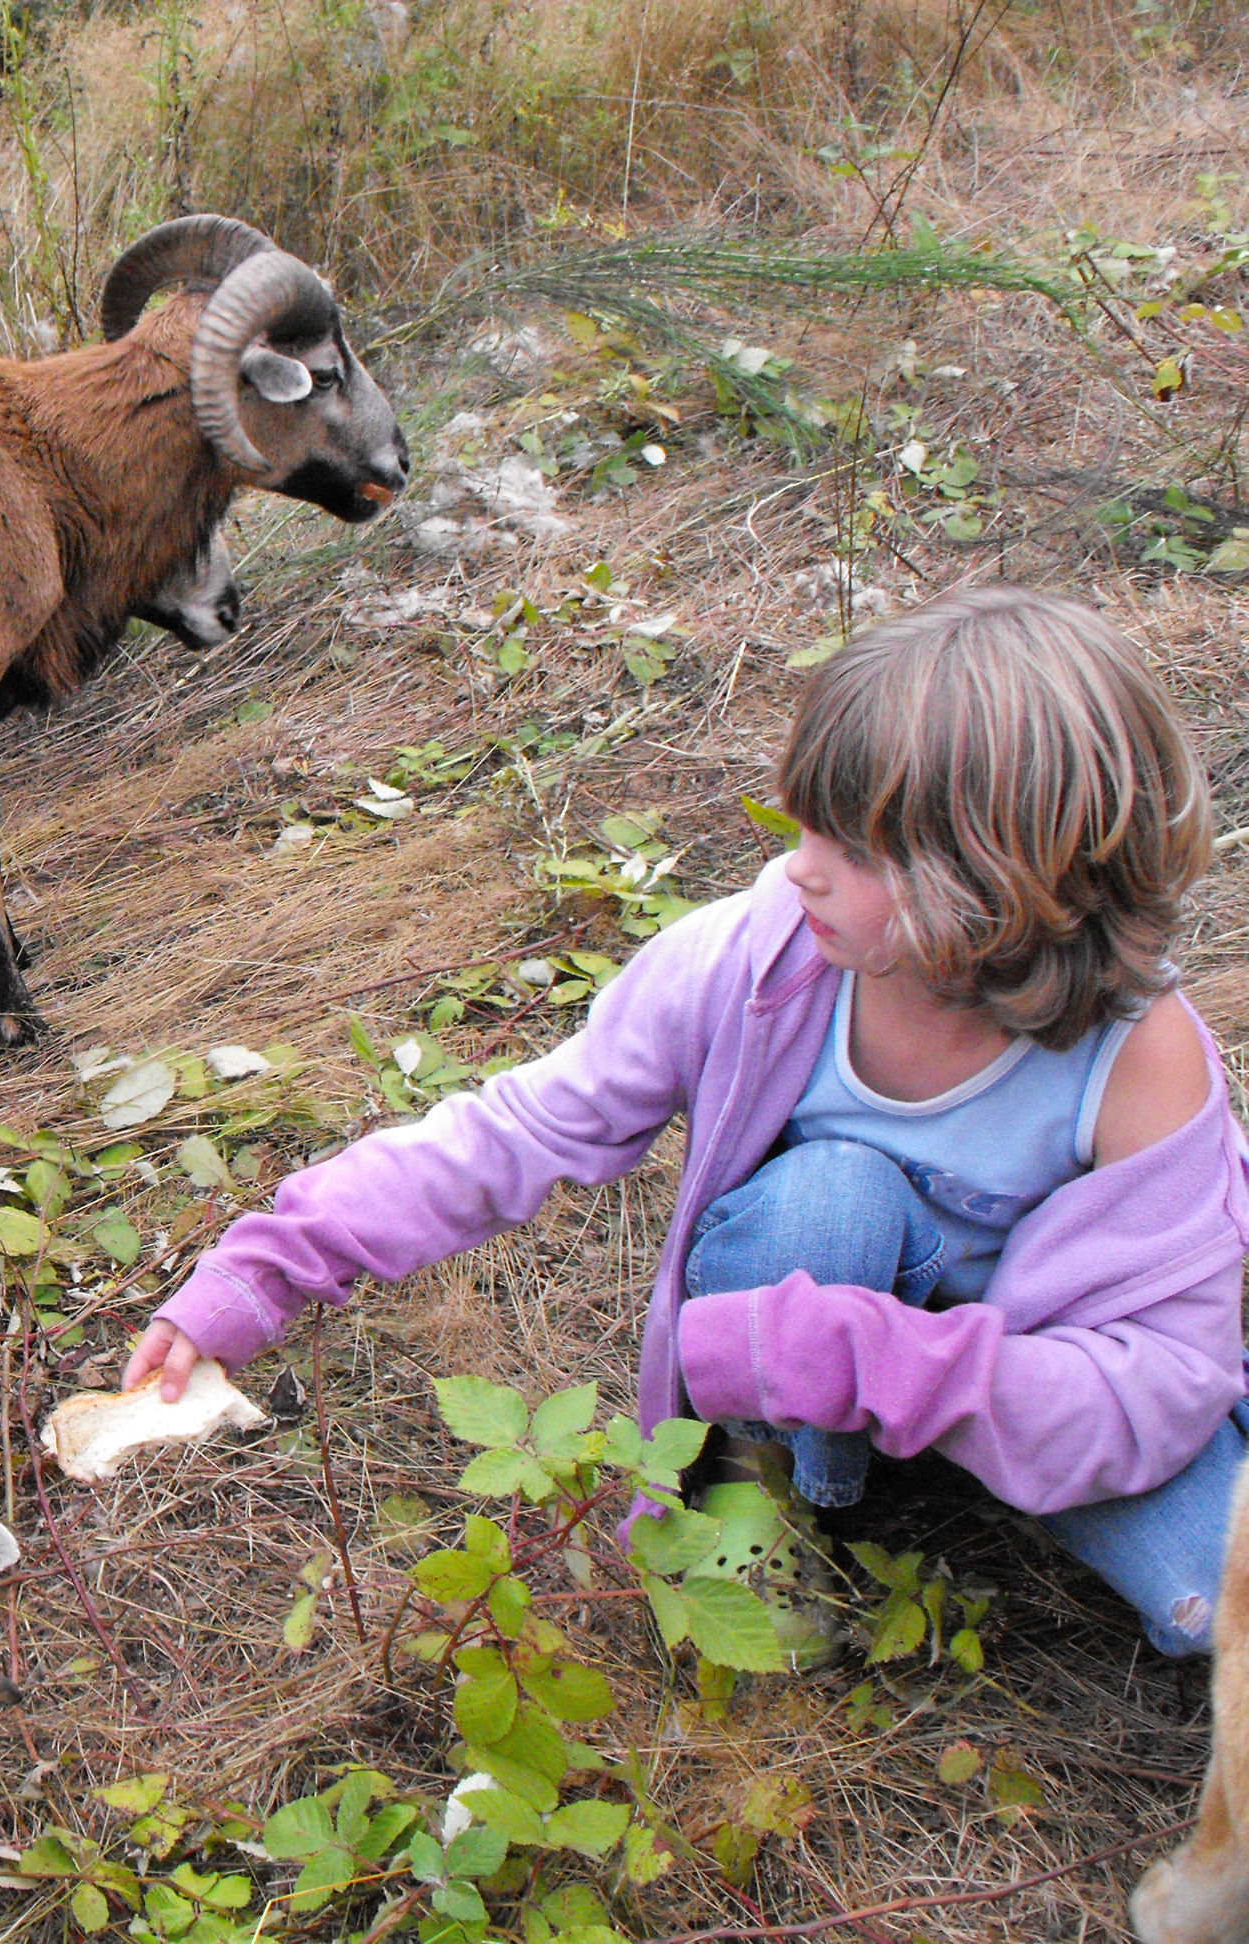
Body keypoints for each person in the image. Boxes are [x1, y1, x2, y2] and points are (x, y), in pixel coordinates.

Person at [123, 585, 1248, 1654]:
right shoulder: (757, 958)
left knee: (1221, 1607)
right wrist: (268, 1268)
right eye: (806, 826)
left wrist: (884, 1364)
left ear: (1000, 881)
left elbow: (1153, 1386)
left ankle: (924, 1456)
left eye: (851, 850)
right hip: (808, 1357)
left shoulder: (1144, 1064)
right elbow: (516, 1130)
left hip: (1029, 1382)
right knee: (831, 1194)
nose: (797, 870)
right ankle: (770, 1498)